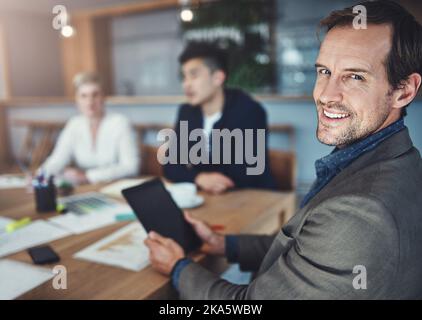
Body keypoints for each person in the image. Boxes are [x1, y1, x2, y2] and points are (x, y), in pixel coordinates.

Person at [144, 1, 422, 299]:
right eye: (324, 71)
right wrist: (224, 245)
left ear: (403, 91)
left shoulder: (359, 212)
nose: (326, 95)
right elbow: (306, 242)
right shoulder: (393, 160)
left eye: (355, 76)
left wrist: (177, 267)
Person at [162, 42, 276, 194]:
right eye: (184, 77)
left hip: (252, 198)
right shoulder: (187, 112)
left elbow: (245, 174)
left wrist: (192, 172)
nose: (186, 84)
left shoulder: (249, 111)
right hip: (209, 198)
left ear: (217, 78)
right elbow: (170, 166)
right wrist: (199, 178)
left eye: (194, 75)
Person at [40, 72, 140, 185]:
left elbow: (131, 167)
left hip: (114, 187)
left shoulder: (120, 123)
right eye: (84, 96)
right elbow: (57, 159)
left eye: (95, 95)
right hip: (84, 189)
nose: (90, 102)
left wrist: (87, 176)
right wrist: (41, 175)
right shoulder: (74, 124)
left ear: (103, 97)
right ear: (77, 100)